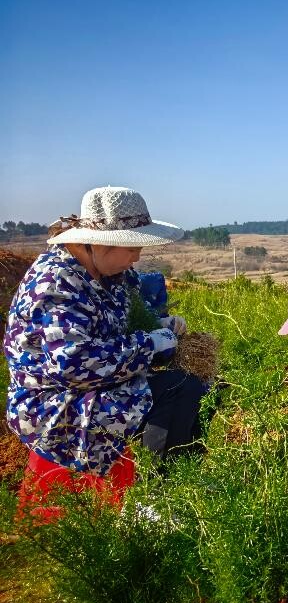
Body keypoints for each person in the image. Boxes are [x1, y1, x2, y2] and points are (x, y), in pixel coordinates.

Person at [4, 186, 206, 495]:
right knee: (179, 390)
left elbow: (120, 320)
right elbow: (74, 365)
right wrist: (150, 344)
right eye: (130, 248)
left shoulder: (109, 274)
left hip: (93, 385)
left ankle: (185, 485)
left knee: (200, 390)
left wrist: (160, 325)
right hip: (54, 405)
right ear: (97, 243)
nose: (137, 257)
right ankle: (153, 498)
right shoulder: (55, 285)